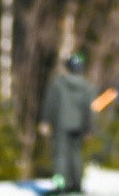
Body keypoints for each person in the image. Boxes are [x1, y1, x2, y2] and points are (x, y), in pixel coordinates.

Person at [40, 50, 95, 193]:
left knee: (60, 156)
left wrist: (45, 121)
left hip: (61, 124)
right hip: (78, 125)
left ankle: (60, 187)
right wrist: (89, 128)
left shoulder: (58, 83)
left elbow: (50, 103)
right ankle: (77, 186)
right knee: (76, 155)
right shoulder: (87, 86)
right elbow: (89, 109)